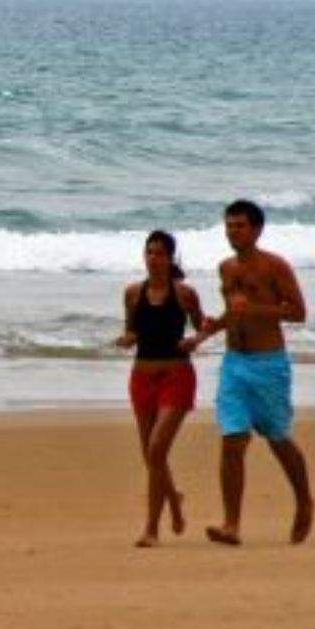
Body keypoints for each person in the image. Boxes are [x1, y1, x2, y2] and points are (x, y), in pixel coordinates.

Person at [181, 199, 315, 545]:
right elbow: (233, 313)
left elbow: (298, 313)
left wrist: (254, 308)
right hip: (234, 364)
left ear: (256, 229)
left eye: (239, 225)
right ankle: (231, 525)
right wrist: (204, 334)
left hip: (269, 365)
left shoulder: (275, 267)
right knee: (232, 440)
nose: (232, 231)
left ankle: (304, 501)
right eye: (229, 225)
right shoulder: (225, 268)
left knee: (278, 439)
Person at [116, 230, 205, 547]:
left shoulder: (184, 294)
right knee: (150, 454)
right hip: (141, 378)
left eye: (159, 253)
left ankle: (151, 529)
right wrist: (126, 339)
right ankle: (175, 500)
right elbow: (131, 330)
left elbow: (202, 325)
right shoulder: (131, 293)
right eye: (149, 252)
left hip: (176, 376)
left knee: (156, 449)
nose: (153, 258)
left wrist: (195, 340)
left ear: (170, 258)